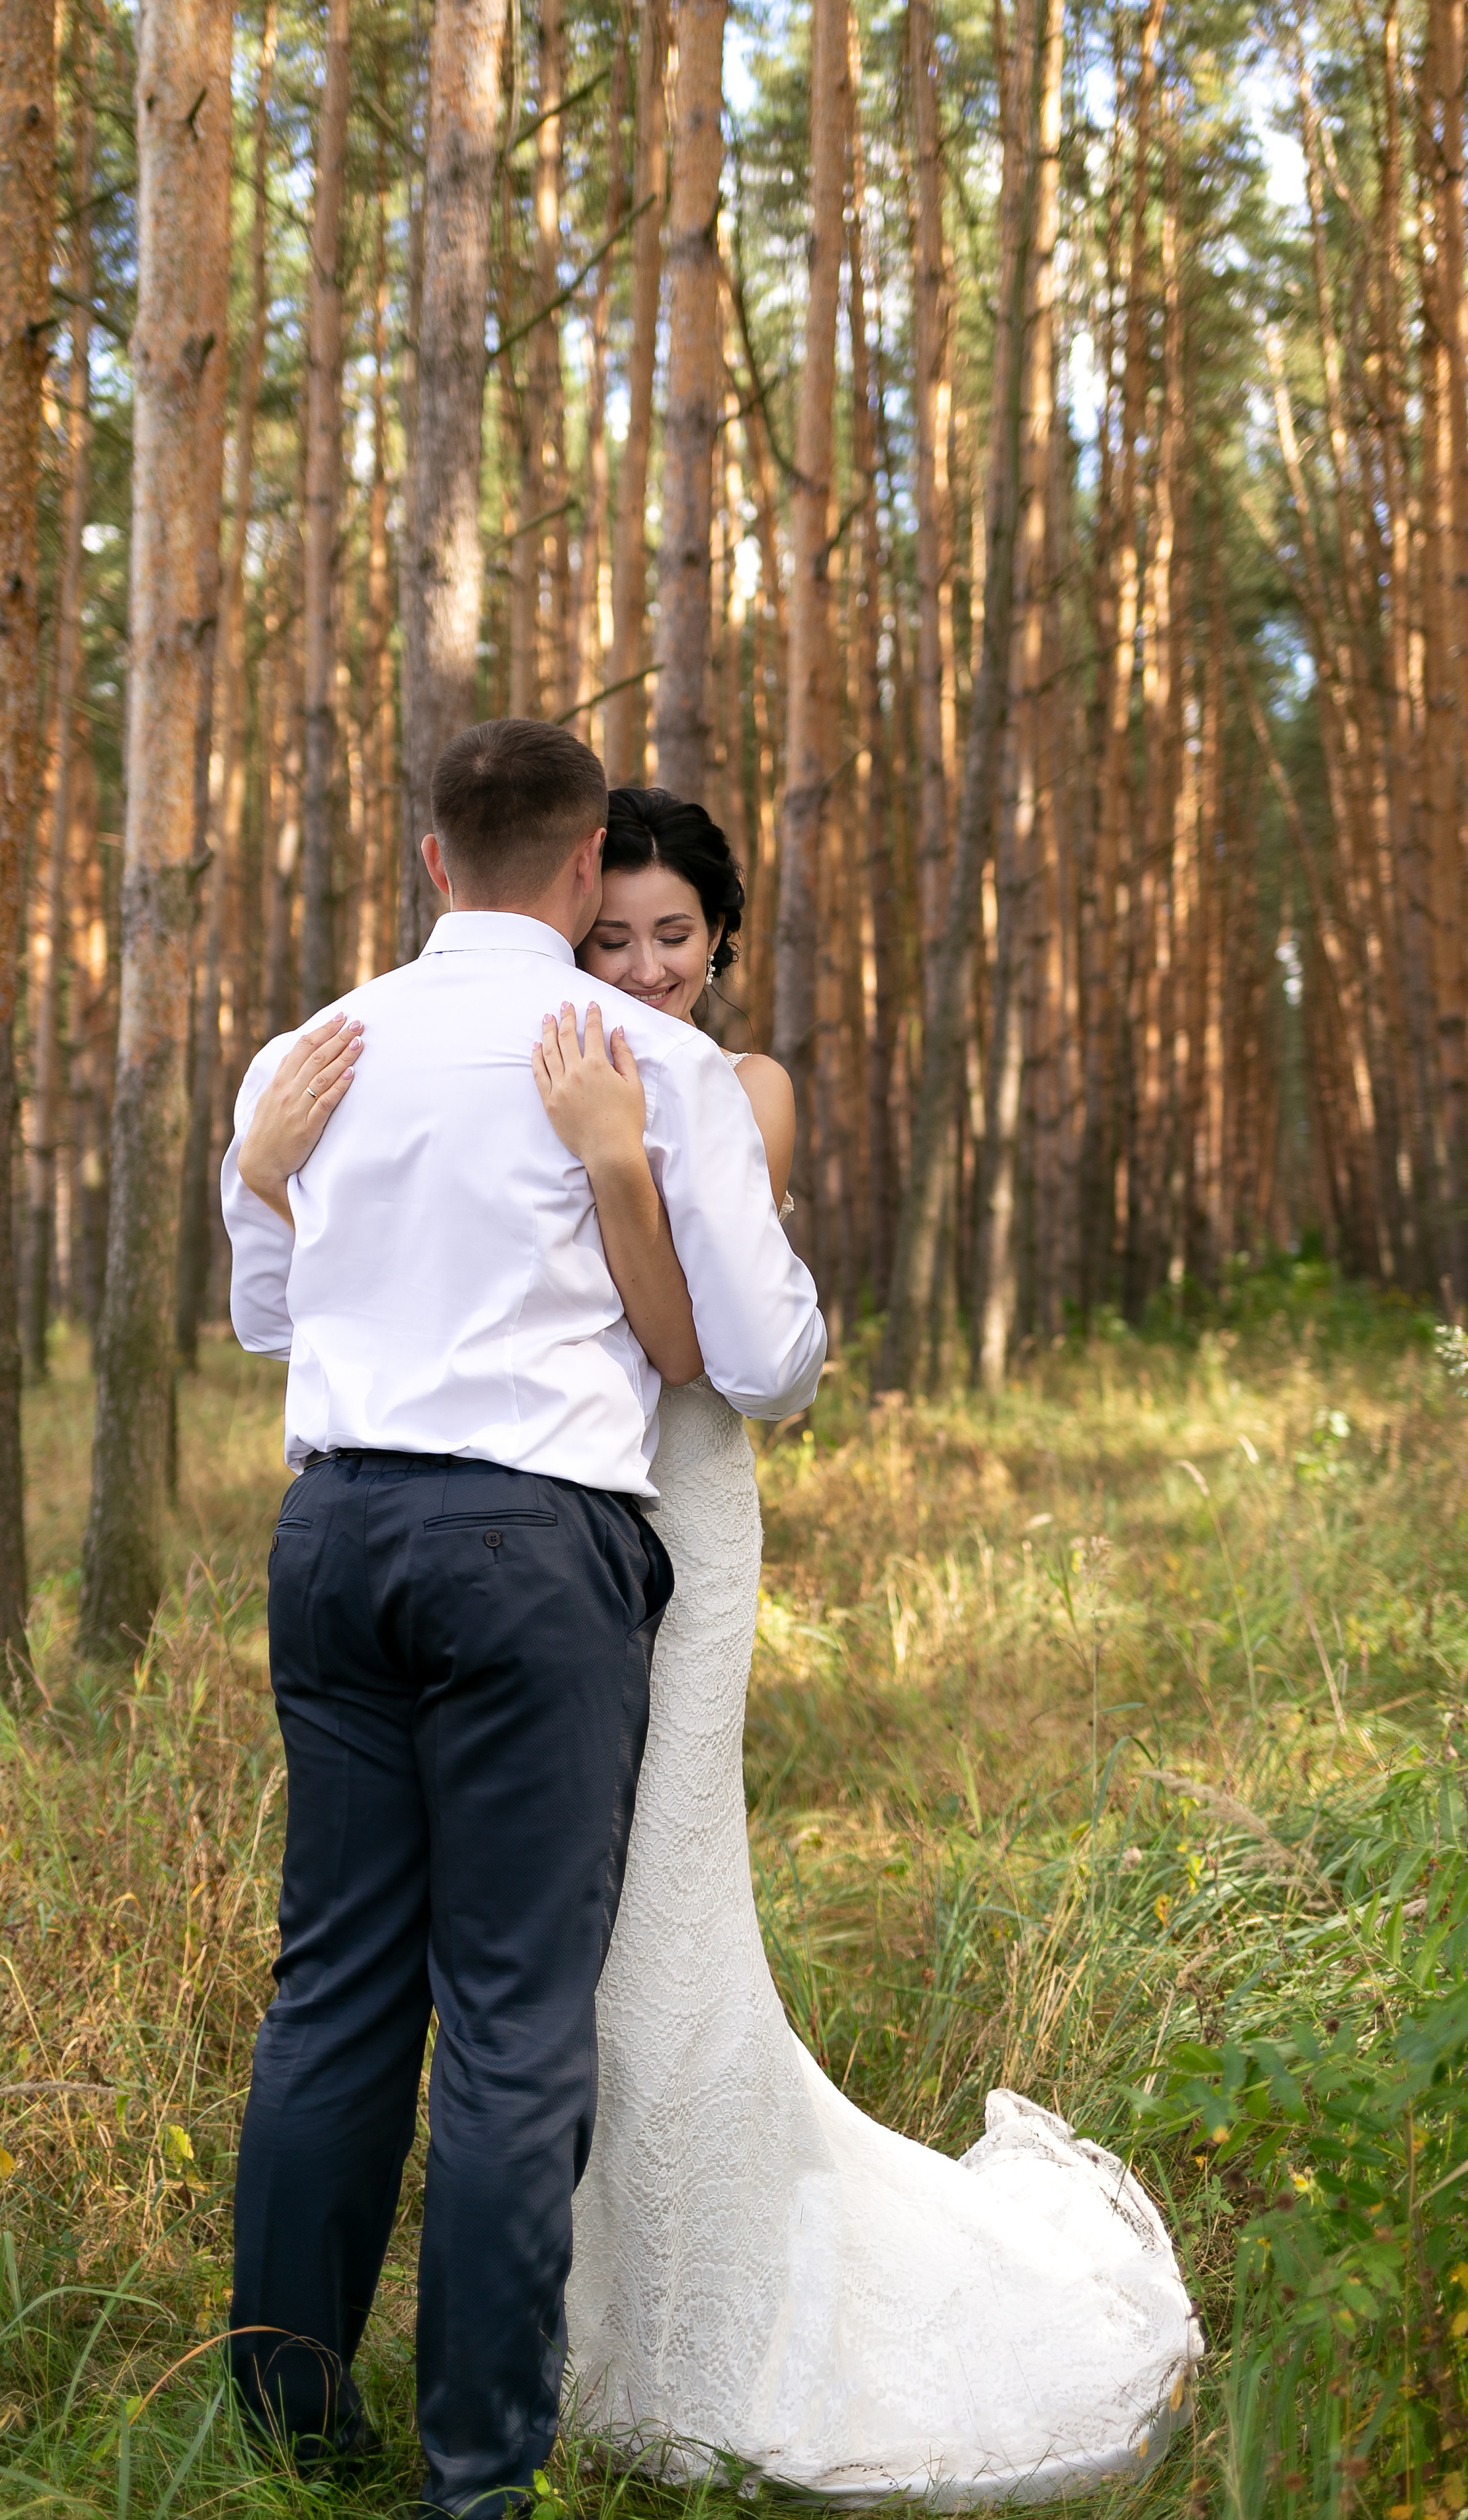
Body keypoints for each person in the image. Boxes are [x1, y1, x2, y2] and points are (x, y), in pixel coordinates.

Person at [536, 786, 1206, 2502]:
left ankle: (695, 2345)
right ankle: (586, 2329)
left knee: (660, 1914)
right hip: (534, 1527)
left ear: (719, 941)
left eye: (672, 934)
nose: (643, 966)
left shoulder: (738, 1092)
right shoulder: (528, 1065)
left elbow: (687, 1330)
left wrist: (603, 1152)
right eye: (607, 936)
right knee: (562, 1940)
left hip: (680, 1510)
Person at [218, 721, 826, 2520]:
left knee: (330, 1987)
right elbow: (770, 1364)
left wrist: (272, 1177)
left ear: (431, 861)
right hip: (531, 1548)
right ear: (581, 872)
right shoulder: (644, 1061)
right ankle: (475, 2471)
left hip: (332, 1531)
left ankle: (286, 2425)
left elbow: (272, 1319)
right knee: (508, 2013)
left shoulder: (308, 1054)